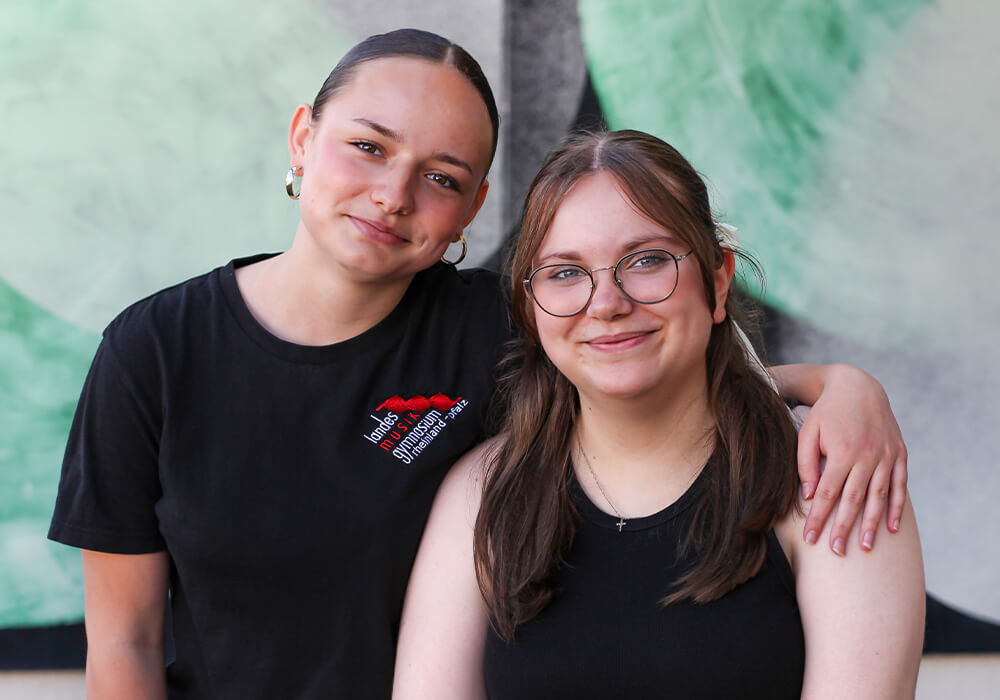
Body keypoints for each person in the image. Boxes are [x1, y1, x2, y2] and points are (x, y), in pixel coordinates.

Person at [48, 30, 908, 700]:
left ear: (471, 209)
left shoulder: (493, 326)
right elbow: (123, 645)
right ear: (304, 137)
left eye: (442, 177)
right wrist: (836, 385)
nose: (393, 195)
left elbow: (655, 369)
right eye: (368, 146)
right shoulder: (154, 351)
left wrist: (839, 388)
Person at [393, 130, 925, 698]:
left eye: (647, 260)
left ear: (717, 280)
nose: (607, 303)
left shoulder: (829, 476)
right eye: (565, 272)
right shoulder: (483, 491)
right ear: (531, 309)